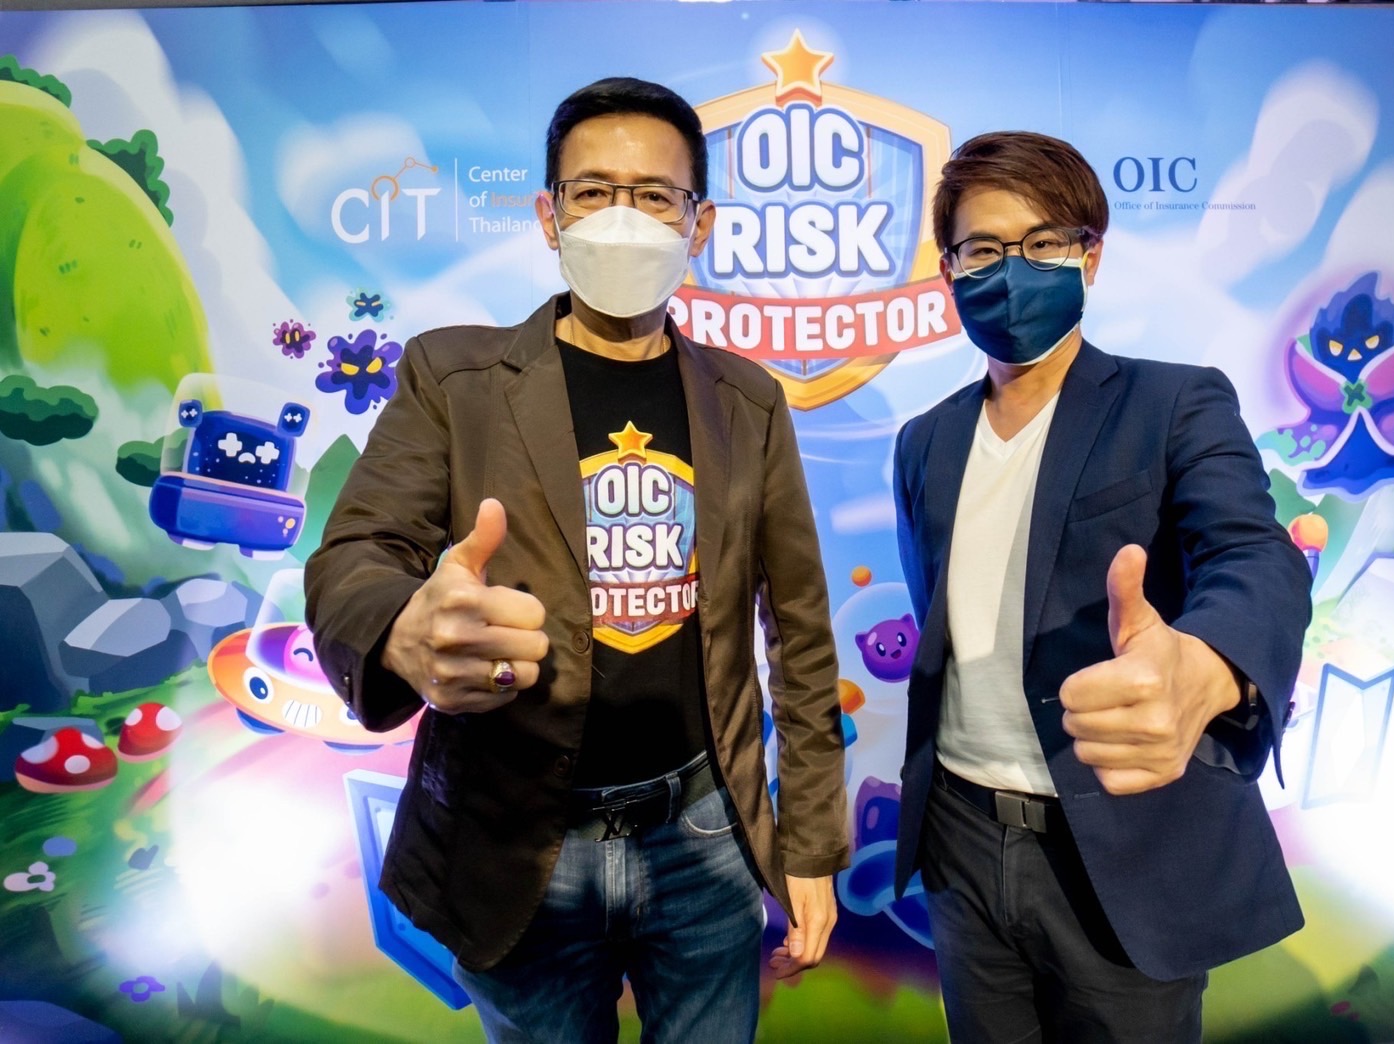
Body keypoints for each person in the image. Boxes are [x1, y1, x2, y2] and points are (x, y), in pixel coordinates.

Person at [304, 77, 847, 1044]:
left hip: (703, 834)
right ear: (548, 216)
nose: (622, 218)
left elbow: (799, 635)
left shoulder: (749, 402)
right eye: (593, 192)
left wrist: (810, 842)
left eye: (655, 196)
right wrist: (401, 630)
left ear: (700, 224)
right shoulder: (454, 378)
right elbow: (357, 552)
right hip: (517, 840)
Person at [891, 131, 1313, 1042]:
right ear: (948, 270)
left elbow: (1254, 552)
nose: (1012, 270)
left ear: (1090, 255)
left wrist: (1211, 663)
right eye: (982, 249)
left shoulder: (1176, 403)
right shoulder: (924, 441)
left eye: (1043, 243)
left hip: (1124, 847)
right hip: (961, 841)